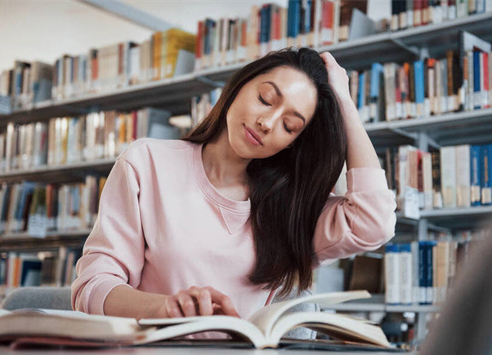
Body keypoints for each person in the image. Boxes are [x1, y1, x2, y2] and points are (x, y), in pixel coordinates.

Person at [71, 47, 396, 323]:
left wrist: (343, 103)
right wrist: (164, 307)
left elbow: (374, 222)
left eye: (289, 125)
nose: (266, 124)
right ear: (239, 85)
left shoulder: (293, 207)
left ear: (291, 144)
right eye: (265, 99)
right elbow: (92, 286)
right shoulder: (146, 163)